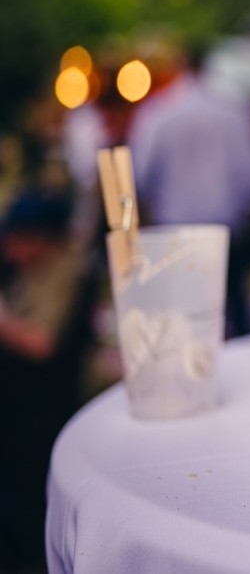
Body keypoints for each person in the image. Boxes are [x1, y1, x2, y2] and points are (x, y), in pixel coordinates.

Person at [128, 44, 250, 336]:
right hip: (225, 224)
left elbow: (140, 172)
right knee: (232, 306)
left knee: (179, 313)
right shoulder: (231, 112)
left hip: (173, 228)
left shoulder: (159, 112)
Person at [0, 188, 94, 571]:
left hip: (37, 408)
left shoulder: (66, 271)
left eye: (18, 239)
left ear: (43, 239)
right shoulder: (31, 268)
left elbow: (42, 344)